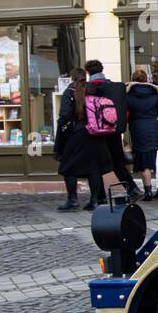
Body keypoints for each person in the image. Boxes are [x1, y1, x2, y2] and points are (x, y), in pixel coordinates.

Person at [53, 68, 121, 212]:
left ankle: (72, 200)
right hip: (97, 133)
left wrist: (65, 133)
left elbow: (64, 116)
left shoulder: (70, 92)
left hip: (78, 134)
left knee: (67, 167)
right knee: (93, 168)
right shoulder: (93, 90)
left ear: (72, 78)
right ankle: (95, 200)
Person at [84, 59, 142, 200]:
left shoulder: (88, 88)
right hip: (114, 131)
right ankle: (133, 189)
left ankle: (100, 196)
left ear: (87, 72)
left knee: (96, 165)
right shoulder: (116, 87)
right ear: (102, 69)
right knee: (118, 163)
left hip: (96, 133)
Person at [125, 69, 158, 199]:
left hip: (139, 131)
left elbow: (123, 110)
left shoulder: (129, 96)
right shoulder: (155, 95)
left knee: (144, 162)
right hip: (156, 129)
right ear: (146, 80)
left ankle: (148, 191)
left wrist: (127, 89)